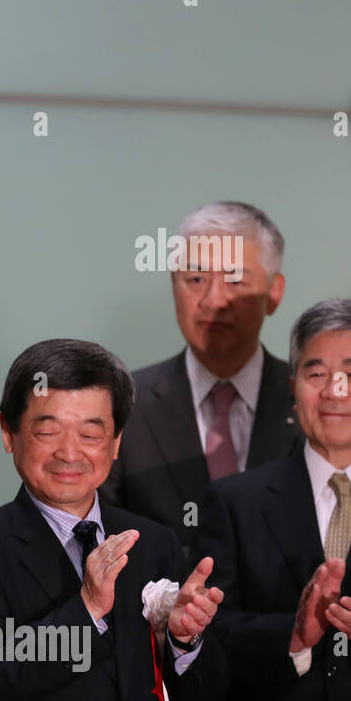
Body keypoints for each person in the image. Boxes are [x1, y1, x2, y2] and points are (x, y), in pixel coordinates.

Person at [0, 339, 228, 701]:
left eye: (91, 433)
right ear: (8, 432)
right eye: (47, 431)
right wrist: (86, 610)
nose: (70, 453)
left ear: (116, 442)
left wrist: (186, 641)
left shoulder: (153, 542)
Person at [194, 298, 351, 701]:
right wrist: (291, 637)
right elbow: (203, 641)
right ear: (293, 387)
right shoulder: (232, 501)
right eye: (316, 372)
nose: (334, 390)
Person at [102, 201, 300, 560]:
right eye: (196, 279)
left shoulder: (311, 400)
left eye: (236, 280)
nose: (214, 300)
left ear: (274, 292)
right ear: (174, 285)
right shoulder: (123, 403)